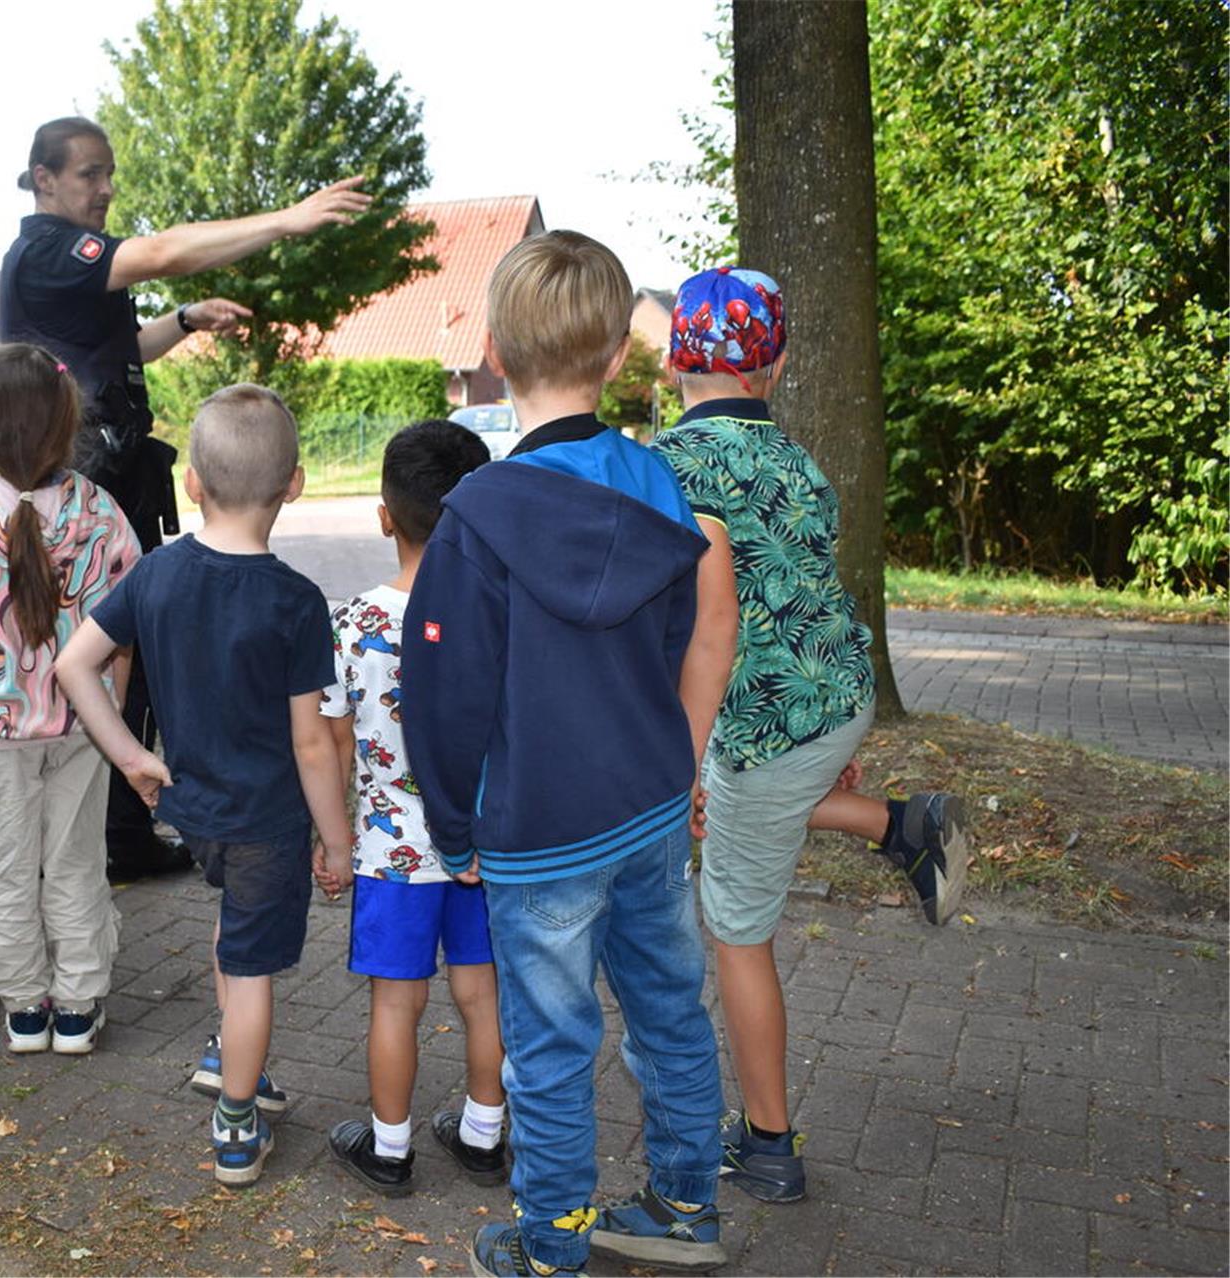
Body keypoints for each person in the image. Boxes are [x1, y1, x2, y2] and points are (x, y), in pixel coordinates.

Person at [401, 231, 730, 1274]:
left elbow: (444, 701)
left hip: (537, 831)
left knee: (549, 1046)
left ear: (493, 352)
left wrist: (454, 828)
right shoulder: (657, 482)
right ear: (619, 358)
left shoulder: (475, 519)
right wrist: (674, 768)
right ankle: (684, 1205)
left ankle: (553, 1242)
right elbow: (679, 640)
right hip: (644, 804)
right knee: (670, 1008)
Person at [651, 266, 971, 1205]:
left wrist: (683, 759)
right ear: (776, 365)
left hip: (760, 724)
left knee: (736, 931)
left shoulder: (673, 469)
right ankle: (900, 826)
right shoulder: (800, 464)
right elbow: (801, 592)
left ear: (675, 358)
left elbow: (702, 636)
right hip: (836, 692)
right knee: (760, 815)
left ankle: (768, 1143)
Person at [1, 114, 370, 883]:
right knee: (115, 646)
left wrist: (185, 321)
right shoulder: (46, 250)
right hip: (91, 479)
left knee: (130, 648)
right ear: (44, 179)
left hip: (115, 473)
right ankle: (104, 831)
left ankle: (124, 834)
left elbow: (112, 353)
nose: (105, 189)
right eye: (88, 175)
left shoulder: (69, 273)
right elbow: (165, 250)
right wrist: (287, 220)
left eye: (108, 174)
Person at [54, 383, 355, 1188]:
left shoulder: (157, 574)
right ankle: (235, 1122)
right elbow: (312, 745)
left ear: (192, 481)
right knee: (253, 968)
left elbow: (73, 663)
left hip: (194, 813)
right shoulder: (295, 601)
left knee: (235, 932)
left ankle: (229, 1055)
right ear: (294, 484)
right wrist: (337, 840)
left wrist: (129, 755)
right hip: (268, 823)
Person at [0, 342, 141, 1053]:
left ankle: (23, 1007)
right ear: (66, 416)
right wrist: (113, 719)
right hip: (82, 728)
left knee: (9, 867)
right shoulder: (101, 513)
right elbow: (125, 632)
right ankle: (76, 1007)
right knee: (77, 862)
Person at [320, 420, 507, 1198]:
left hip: (390, 853)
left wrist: (329, 838)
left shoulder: (354, 622)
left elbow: (331, 745)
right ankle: (484, 1133)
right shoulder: (499, 615)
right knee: (483, 992)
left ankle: (390, 1148)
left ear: (384, 515)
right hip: (483, 846)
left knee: (396, 1001)